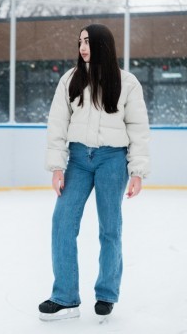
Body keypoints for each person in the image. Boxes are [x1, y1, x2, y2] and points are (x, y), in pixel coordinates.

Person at [39, 24, 151, 321]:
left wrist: (137, 171)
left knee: (109, 228)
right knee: (62, 222)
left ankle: (106, 294)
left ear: (103, 44)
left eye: (87, 41)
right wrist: (56, 166)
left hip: (112, 160)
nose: (82, 47)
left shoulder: (127, 83)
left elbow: (138, 129)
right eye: (80, 42)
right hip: (77, 159)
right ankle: (64, 297)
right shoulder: (70, 80)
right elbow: (57, 124)